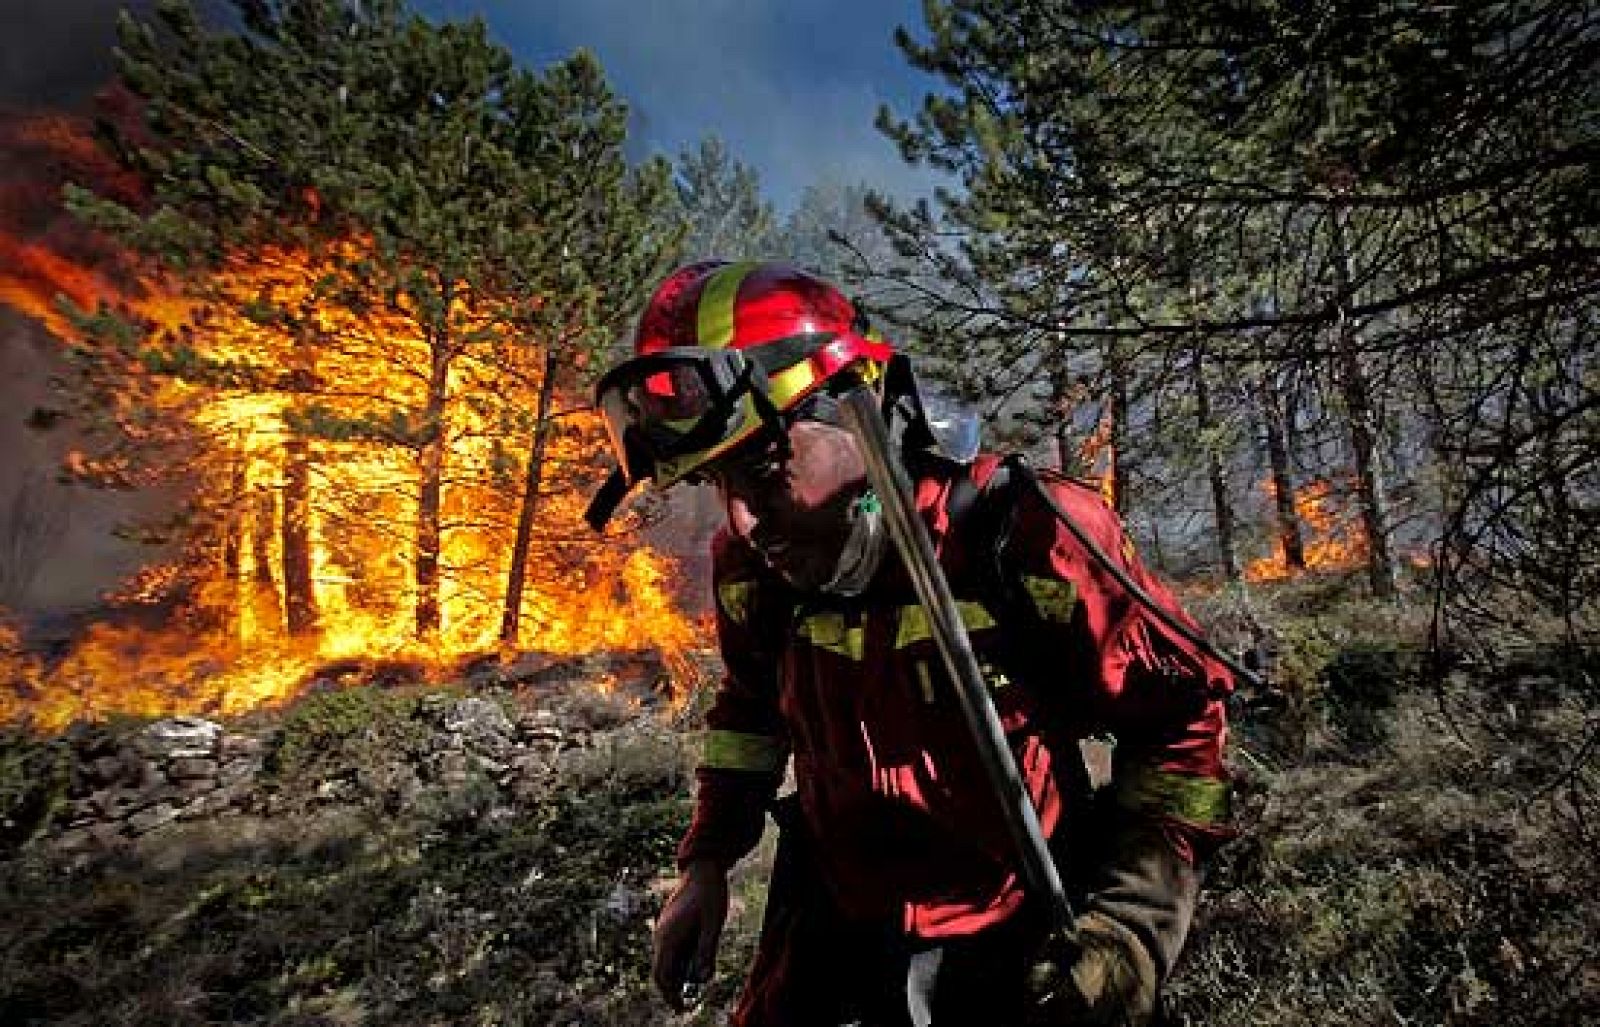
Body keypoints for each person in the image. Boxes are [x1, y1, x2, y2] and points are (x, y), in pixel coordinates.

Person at [586, 261, 1233, 1026]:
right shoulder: (755, 570)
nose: (743, 524)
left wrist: (1131, 926)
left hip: (1016, 920)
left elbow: (1180, 722)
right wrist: (706, 863)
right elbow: (752, 713)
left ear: (854, 406)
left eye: (762, 464)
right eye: (715, 484)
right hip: (835, 924)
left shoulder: (1023, 535)